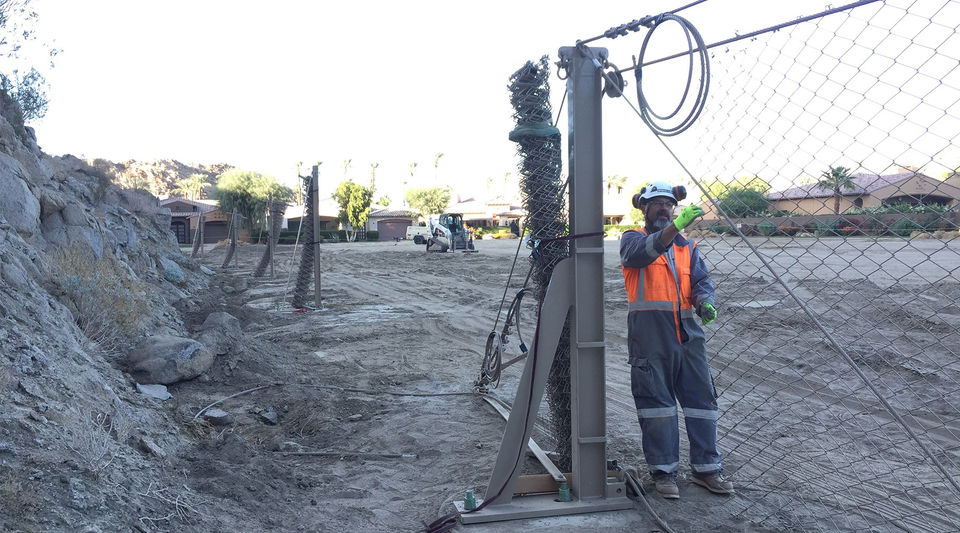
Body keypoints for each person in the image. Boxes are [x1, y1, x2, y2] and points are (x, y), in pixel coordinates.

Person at [619, 181, 733, 499]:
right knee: (657, 405)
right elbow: (643, 255)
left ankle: (707, 470)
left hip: (688, 336)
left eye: (668, 204)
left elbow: (701, 280)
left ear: (675, 207)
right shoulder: (632, 239)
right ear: (643, 208)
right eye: (655, 203)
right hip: (650, 336)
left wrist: (704, 301)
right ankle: (664, 473)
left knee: (701, 402)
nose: (663, 209)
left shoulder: (688, 248)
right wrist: (675, 229)